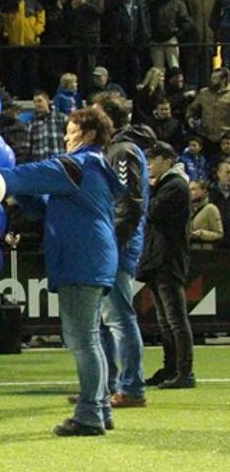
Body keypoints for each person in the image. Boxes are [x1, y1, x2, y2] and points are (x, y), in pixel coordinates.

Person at [0, 106, 124, 436]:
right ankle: (100, 408)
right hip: (92, 256)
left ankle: (89, 415)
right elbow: (44, 204)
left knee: (82, 340)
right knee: (90, 337)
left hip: (82, 258)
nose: (66, 139)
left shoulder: (77, 165)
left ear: (89, 135)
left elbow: (28, 175)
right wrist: (22, 199)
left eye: (71, 132)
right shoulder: (92, 167)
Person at [92, 93, 154, 408]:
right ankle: (105, 386)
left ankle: (131, 388)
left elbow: (130, 203)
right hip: (114, 242)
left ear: (109, 120)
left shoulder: (121, 151)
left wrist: (112, 243)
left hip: (118, 245)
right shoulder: (115, 150)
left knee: (118, 318)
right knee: (104, 319)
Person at [138, 142, 195, 390]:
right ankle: (171, 369)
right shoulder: (166, 185)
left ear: (168, 160)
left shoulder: (176, 186)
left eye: (153, 159)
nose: (148, 164)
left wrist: (145, 192)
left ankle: (185, 372)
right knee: (165, 320)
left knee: (175, 319)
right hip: (157, 257)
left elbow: (151, 212)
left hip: (168, 258)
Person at [190, 181, 224, 250]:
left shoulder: (210, 209)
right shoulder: (188, 209)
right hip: (190, 250)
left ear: (203, 190)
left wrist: (201, 234)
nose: (190, 193)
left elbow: (219, 234)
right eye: (189, 189)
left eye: (193, 189)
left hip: (205, 251)